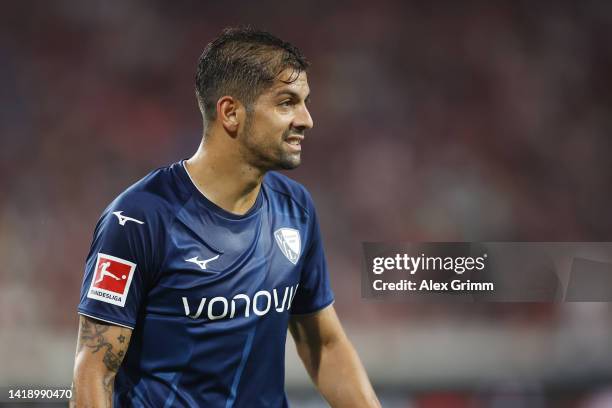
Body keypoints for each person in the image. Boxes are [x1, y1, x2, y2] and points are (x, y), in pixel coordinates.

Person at [71, 27, 381, 407]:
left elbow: (325, 346)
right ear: (231, 113)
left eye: (305, 102)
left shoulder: (295, 209)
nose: (306, 119)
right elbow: (95, 370)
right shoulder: (137, 220)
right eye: (286, 103)